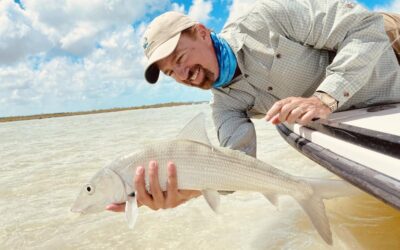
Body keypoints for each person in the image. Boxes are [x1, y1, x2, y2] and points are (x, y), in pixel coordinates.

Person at [107, 0, 400, 213]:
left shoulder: (268, 18)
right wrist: (190, 189)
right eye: (172, 73)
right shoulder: (225, 107)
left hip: (393, 45)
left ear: (201, 31)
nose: (184, 75)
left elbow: (365, 26)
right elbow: (236, 164)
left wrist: (324, 98)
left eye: (181, 59)